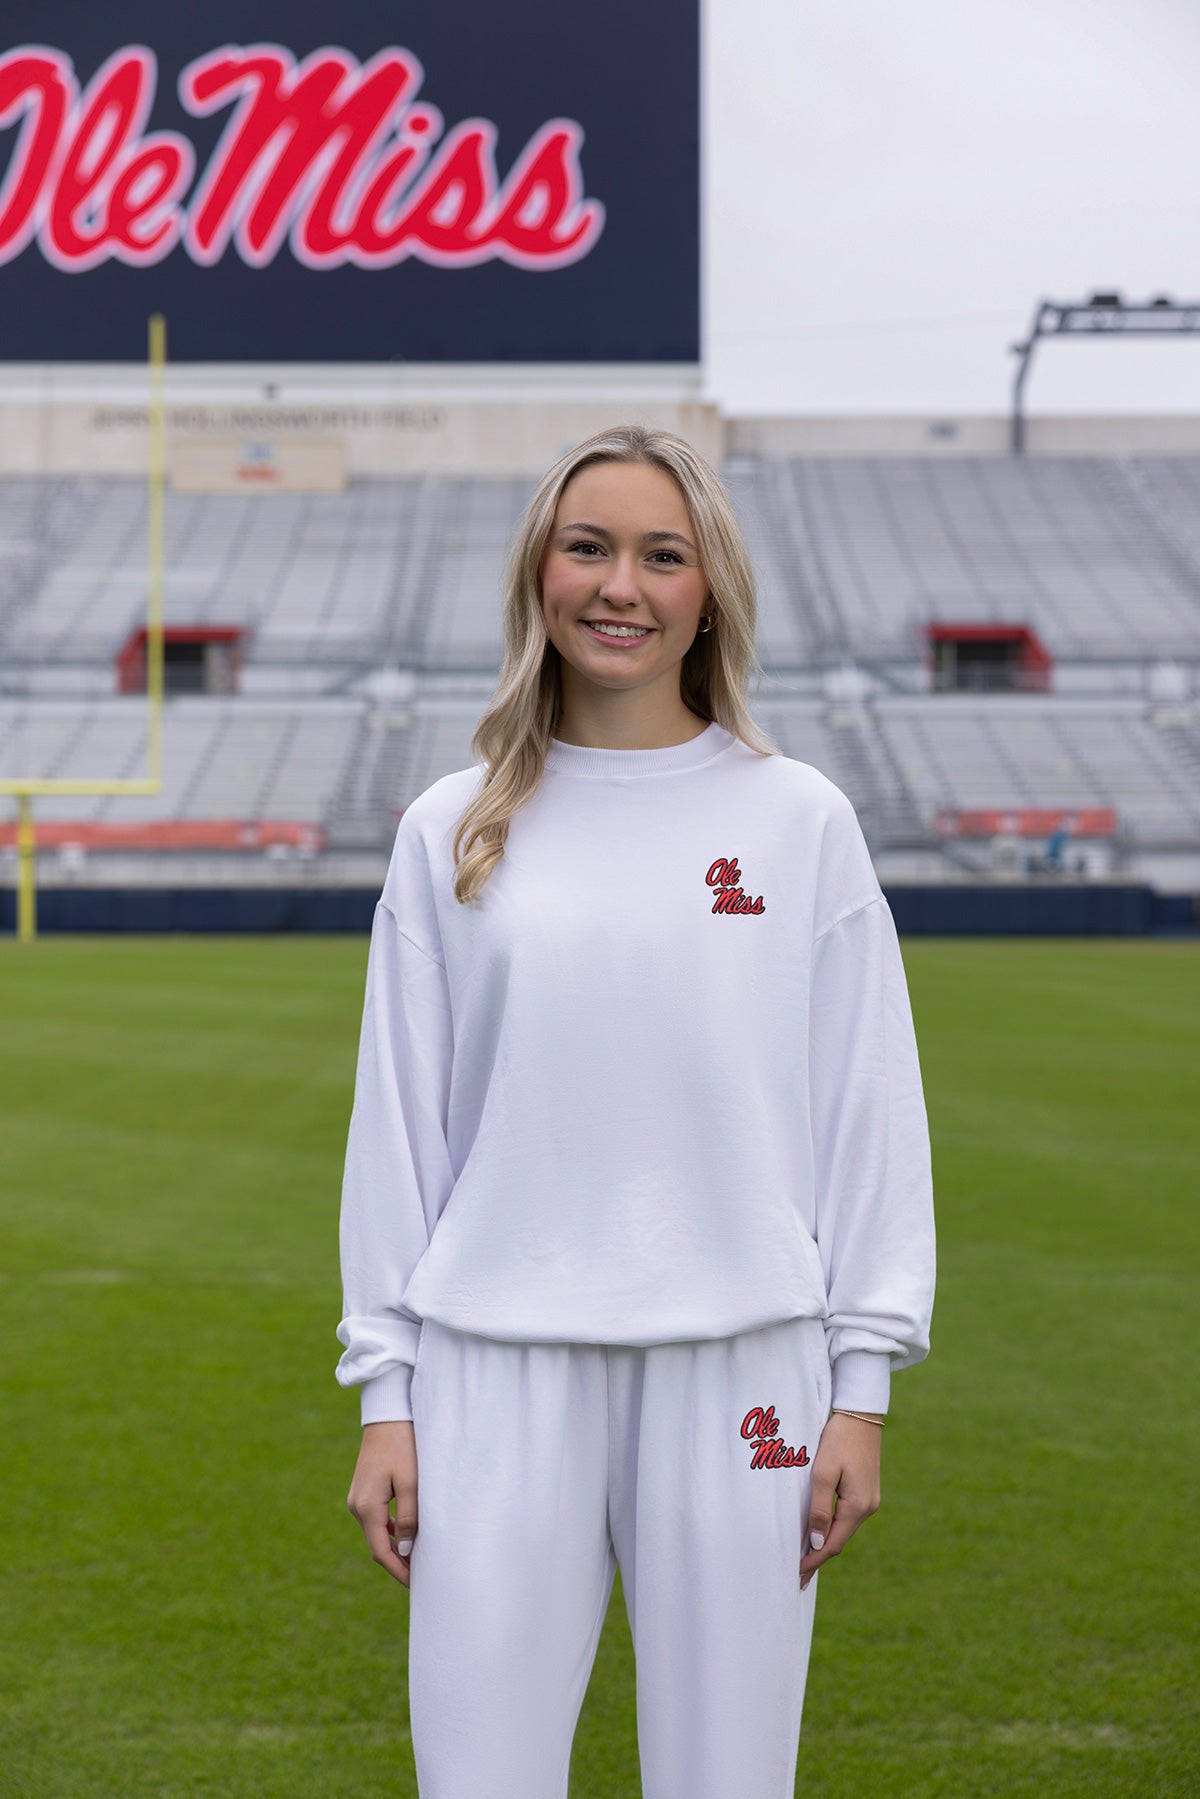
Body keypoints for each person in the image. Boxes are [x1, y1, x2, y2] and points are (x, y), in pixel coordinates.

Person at [335, 424, 936, 1799]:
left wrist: (861, 1391)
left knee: (727, 1780)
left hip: (747, 1376)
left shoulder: (800, 821)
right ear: (538, 574)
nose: (622, 584)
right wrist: (388, 1395)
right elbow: (399, 1132)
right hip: (494, 1369)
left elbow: (868, 1115)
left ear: (707, 590)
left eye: (662, 555)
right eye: (588, 546)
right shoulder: (448, 827)